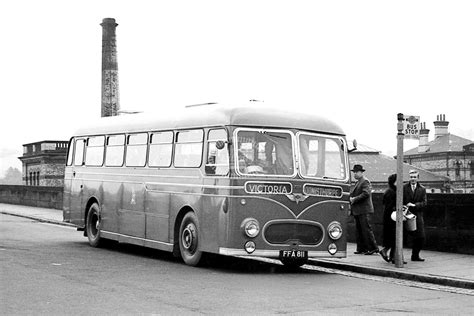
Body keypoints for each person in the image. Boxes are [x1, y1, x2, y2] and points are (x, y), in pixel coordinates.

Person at [349, 164, 379, 255]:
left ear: (361, 172)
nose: (354, 174)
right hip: (359, 210)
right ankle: (362, 248)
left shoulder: (365, 181)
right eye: (354, 172)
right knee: (360, 230)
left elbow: (366, 194)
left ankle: (373, 248)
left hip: (364, 210)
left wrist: (354, 199)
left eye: (356, 172)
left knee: (366, 229)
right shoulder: (358, 182)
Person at [403, 170, 427, 262]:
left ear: (417, 178)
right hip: (405, 214)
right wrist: (405, 205)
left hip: (417, 215)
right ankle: (397, 256)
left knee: (420, 236)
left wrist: (415, 205)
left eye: (414, 177)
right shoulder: (404, 187)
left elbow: (424, 203)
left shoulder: (422, 189)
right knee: (404, 236)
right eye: (411, 177)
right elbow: (399, 199)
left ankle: (415, 255)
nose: (413, 179)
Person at [380, 174, 397, 263]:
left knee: (392, 238)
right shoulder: (392, 192)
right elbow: (391, 206)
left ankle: (391, 256)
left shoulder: (388, 191)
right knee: (394, 237)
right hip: (392, 218)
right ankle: (390, 254)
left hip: (388, 217)